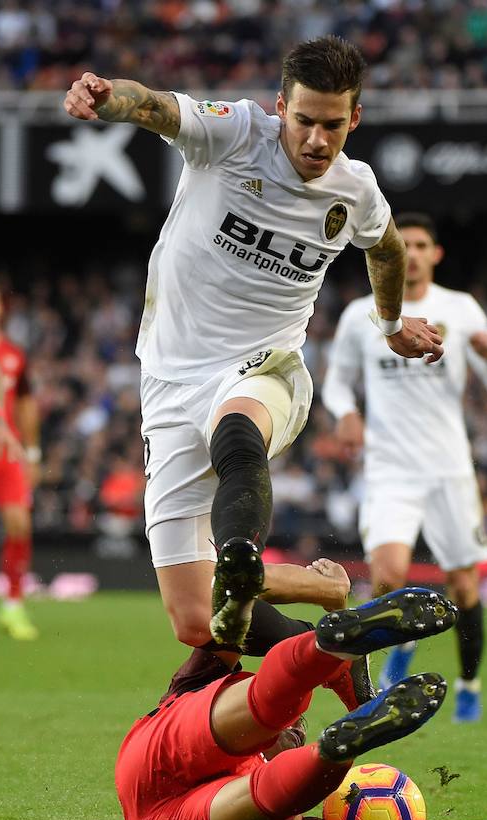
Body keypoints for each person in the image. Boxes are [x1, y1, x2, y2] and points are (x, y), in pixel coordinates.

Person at [63, 35, 443, 662]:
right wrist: (108, 100)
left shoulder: (355, 190)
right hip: (168, 379)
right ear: (280, 108)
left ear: (355, 118)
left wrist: (392, 321)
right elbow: (154, 106)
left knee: (236, 426)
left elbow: (388, 248)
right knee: (195, 618)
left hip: (268, 367)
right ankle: (332, 641)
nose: (317, 142)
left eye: (332, 125)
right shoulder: (236, 135)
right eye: (303, 122)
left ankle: (242, 554)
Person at [115, 587, 487, 820]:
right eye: (301, 727)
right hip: (159, 766)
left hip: (193, 813)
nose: (299, 728)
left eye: (302, 729)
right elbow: (230, 602)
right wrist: (322, 596)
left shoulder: (268, 769)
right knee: (265, 711)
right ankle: (325, 651)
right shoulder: (200, 689)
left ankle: (332, 745)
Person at [322, 213, 487, 722]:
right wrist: (345, 415)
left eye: (421, 244)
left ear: (436, 254)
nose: (411, 252)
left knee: (465, 585)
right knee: (386, 577)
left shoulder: (461, 308)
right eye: (401, 244)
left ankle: (469, 683)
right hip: (389, 468)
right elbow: (337, 381)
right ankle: (398, 651)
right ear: (390, 253)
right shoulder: (362, 314)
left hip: (449, 469)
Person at [0, 281, 41, 641]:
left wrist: (33, 451)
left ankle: (13, 604)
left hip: (4, 453)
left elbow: (24, 402)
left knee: (19, 524)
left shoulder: (12, 355)